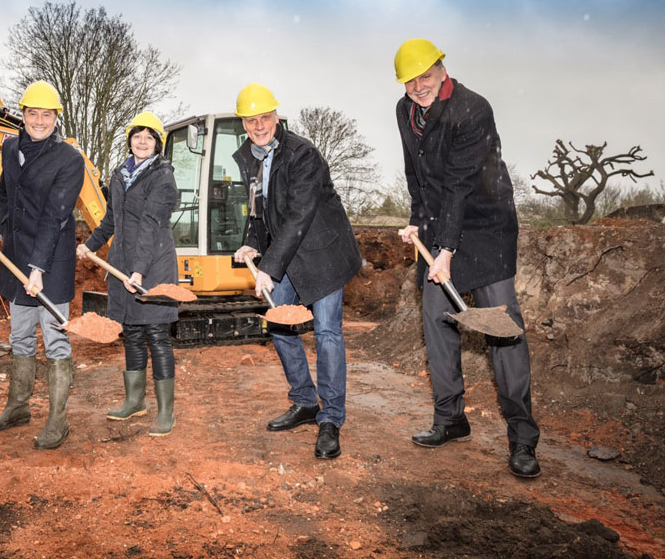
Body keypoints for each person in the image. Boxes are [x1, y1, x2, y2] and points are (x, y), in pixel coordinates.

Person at [392, 38, 541, 478]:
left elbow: (459, 183)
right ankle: (451, 419)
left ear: (442, 69)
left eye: (424, 76)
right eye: (409, 81)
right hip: (439, 227)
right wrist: (419, 222)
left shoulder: (473, 109)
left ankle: (523, 438)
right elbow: (414, 173)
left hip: (485, 226)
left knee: (502, 331)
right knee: (437, 324)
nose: (418, 86)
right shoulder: (405, 111)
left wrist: (448, 251)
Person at [231, 83, 362, 460]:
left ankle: (331, 418)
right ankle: (306, 401)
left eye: (265, 117)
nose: (259, 126)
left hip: (321, 251)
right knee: (278, 324)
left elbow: (299, 216)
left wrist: (269, 269)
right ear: (244, 123)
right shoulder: (250, 158)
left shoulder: (303, 153)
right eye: (251, 120)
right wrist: (253, 241)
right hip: (286, 252)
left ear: (277, 116)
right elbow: (258, 210)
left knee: (326, 333)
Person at [0, 80, 84, 450]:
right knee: (20, 336)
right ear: (22, 115)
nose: (39, 120)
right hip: (16, 257)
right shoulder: (9, 147)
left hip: (50, 262)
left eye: (47, 114)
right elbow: (3, 194)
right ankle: (18, 407)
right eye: (32, 113)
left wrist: (38, 267)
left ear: (57, 118)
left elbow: (56, 216)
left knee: (54, 339)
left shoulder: (69, 159)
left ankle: (58, 419)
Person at [76, 112, 179, 436]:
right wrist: (90, 244)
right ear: (130, 139)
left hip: (154, 265)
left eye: (150, 136)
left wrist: (139, 270)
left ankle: (166, 413)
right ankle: (135, 401)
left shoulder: (163, 177)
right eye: (138, 135)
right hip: (124, 264)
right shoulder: (121, 173)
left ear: (157, 143)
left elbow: (149, 225)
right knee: (133, 332)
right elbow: (112, 219)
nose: (143, 140)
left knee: (157, 336)